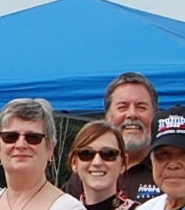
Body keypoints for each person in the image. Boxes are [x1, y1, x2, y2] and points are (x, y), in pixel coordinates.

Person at [65, 73, 161, 202]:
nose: (132, 114)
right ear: (107, 116)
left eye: (141, 107)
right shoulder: (85, 174)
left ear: (155, 115)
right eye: (123, 107)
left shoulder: (167, 169)